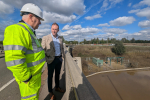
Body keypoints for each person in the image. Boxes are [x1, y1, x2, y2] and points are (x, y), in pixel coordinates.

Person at [3, 3, 45, 100]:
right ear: (31, 16)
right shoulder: (17, 29)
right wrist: (27, 78)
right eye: (39, 19)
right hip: (29, 81)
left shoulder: (28, 31)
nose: (40, 23)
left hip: (34, 79)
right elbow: (14, 60)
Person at [41, 23, 65, 100]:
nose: (54, 31)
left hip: (59, 59)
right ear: (51, 29)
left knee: (57, 74)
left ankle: (57, 87)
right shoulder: (45, 38)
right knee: (50, 76)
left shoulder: (60, 38)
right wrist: (46, 58)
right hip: (51, 60)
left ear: (58, 30)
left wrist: (63, 56)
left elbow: (62, 48)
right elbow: (42, 49)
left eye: (55, 29)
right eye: (53, 29)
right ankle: (50, 92)